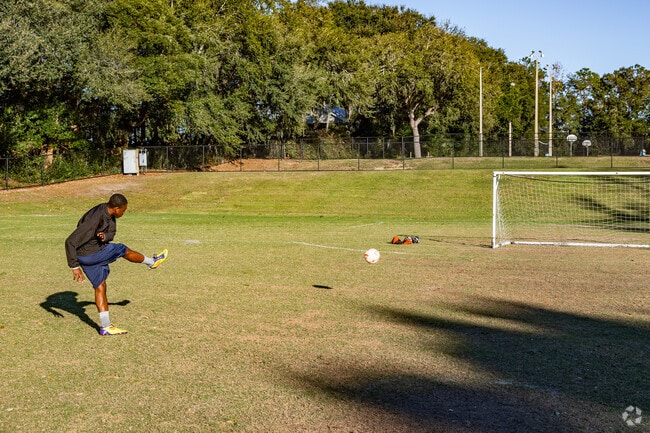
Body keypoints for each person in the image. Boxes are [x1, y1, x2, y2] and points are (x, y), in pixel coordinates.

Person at [65, 193, 168, 336]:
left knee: (100, 286)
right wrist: (74, 266)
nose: (124, 213)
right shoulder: (94, 218)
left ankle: (105, 326)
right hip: (90, 253)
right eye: (123, 210)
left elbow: (111, 233)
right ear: (116, 208)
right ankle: (152, 262)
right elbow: (70, 241)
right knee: (122, 249)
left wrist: (105, 236)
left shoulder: (108, 213)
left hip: (87, 255)